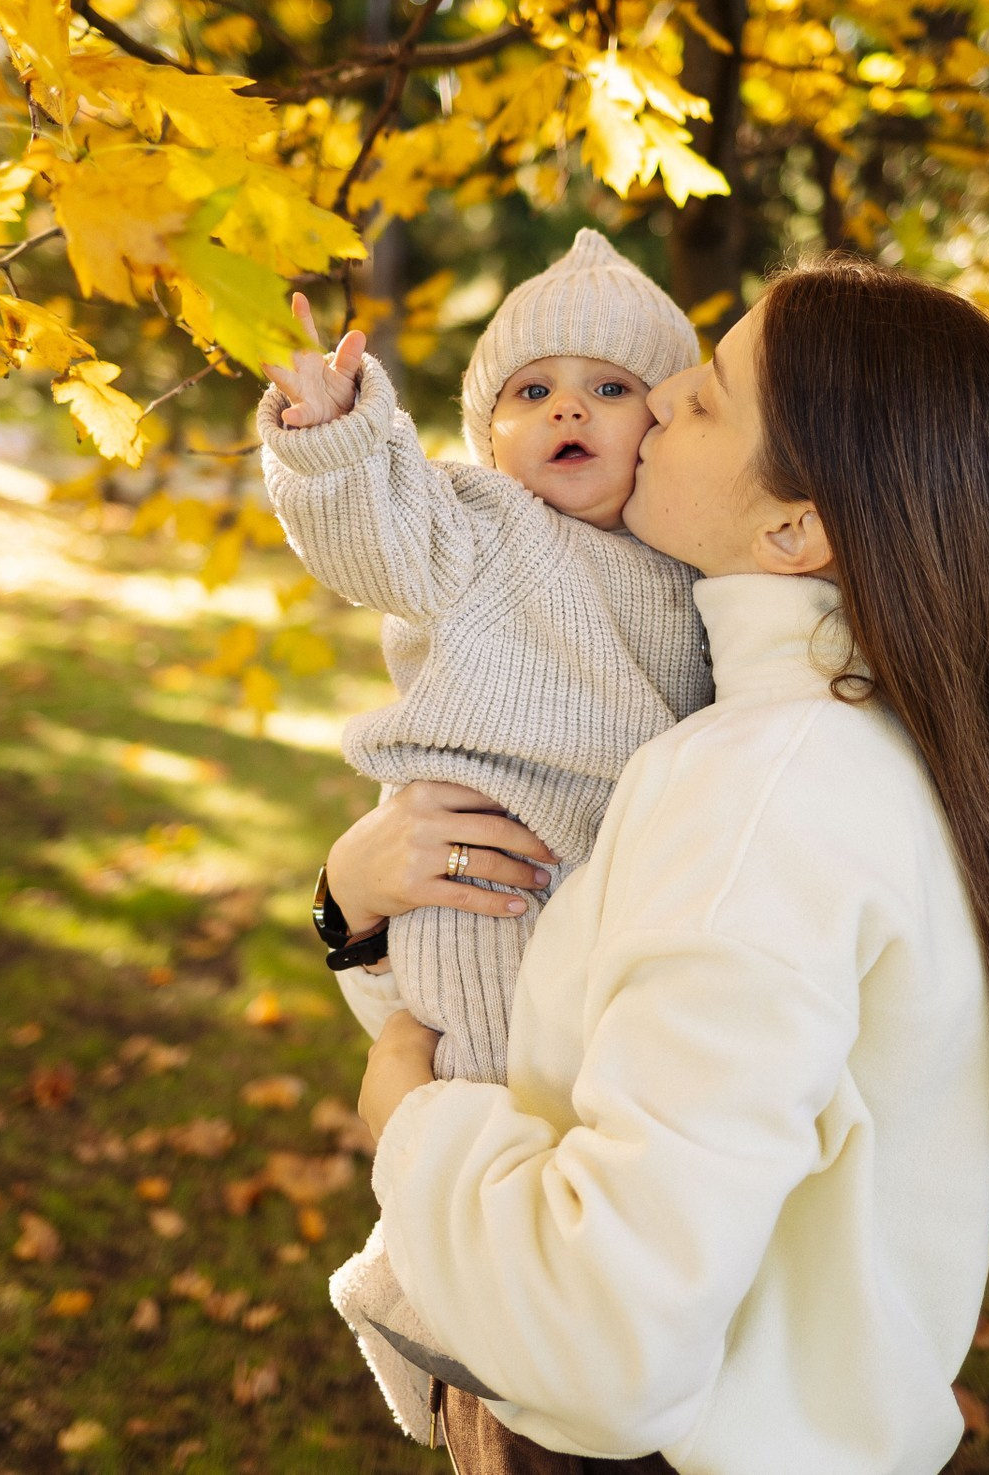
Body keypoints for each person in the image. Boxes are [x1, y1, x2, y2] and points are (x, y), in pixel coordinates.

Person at [321, 257, 989, 1475]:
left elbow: (603, 1344)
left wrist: (409, 1121)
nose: (658, 399)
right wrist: (352, 908)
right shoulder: (851, 745)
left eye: (703, 397)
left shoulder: (765, 793)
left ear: (793, 526)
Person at [256, 231, 714, 1436]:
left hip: (616, 883)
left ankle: (475, 1297)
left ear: (665, 421)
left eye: (611, 387)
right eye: (530, 390)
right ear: (487, 436)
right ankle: (439, 1294)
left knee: (585, 1126)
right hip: (484, 870)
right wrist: (335, 433)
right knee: (486, 1095)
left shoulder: (695, 560)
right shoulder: (478, 525)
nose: (569, 405)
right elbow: (373, 531)